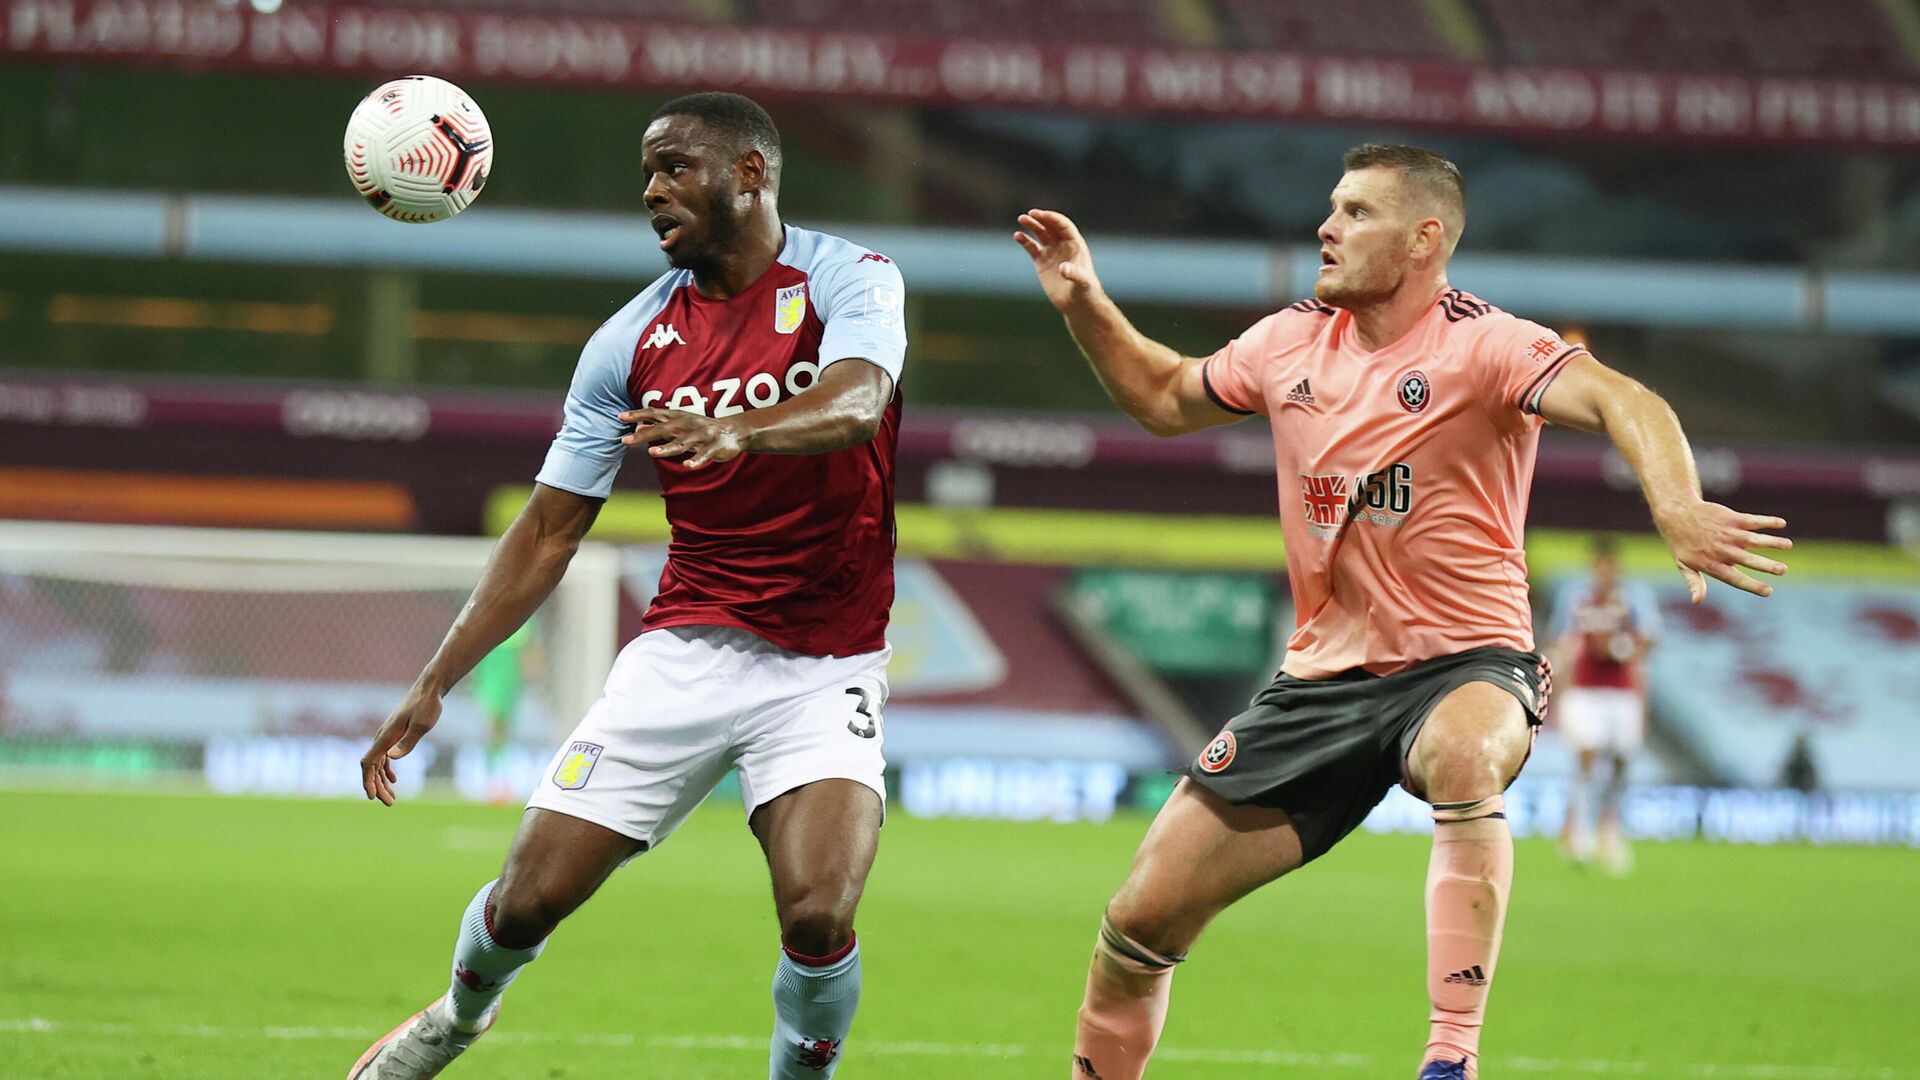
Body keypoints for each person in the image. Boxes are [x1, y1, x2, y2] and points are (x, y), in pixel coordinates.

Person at [1015, 144, 1790, 1080]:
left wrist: (1674, 504)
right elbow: (1163, 394)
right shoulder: (1288, 341)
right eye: (1331, 208)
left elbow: (1628, 399)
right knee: (1139, 921)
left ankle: (1449, 1060)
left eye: (1354, 212)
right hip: (1320, 685)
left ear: (1425, 239)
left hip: (1468, 663)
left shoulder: (1489, 344)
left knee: (1463, 755)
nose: (1325, 227)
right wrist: (1086, 304)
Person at [349, 91, 907, 1080]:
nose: (652, 190)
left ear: (749, 174)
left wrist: (738, 429)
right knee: (525, 901)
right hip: (683, 654)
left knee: (820, 910)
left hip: (827, 666)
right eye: (647, 172)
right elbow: (550, 530)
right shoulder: (629, 342)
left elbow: (860, 399)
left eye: (675, 167)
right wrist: (436, 679)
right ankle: (454, 1020)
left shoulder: (847, 277)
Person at [1548, 535, 1661, 872]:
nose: (1604, 572)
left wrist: (1622, 650)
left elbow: (1649, 639)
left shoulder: (1635, 599)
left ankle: (1610, 828)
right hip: (1585, 690)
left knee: (1622, 761)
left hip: (1622, 691)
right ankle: (1576, 828)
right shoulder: (1576, 598)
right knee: (1586, 755)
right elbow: (1563, 643)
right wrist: (1556, 687)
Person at [467, 620, 542, 805]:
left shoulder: (525, 620)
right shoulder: (490, 614)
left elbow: (529, 651)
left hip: (512, 681)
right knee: (495, 725)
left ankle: (500, 777)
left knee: (505, 729)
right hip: (490, 677)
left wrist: (532, 675)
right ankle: (494, 779)